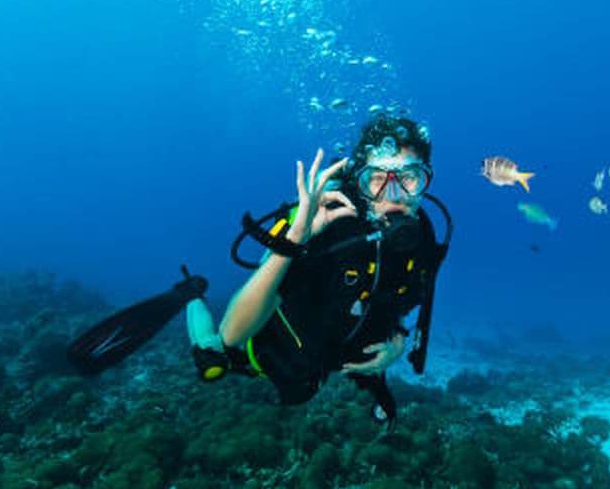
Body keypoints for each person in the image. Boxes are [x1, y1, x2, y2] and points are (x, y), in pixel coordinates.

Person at [186, 115, 450, 426]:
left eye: (409, 177)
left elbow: (398, 300)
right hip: (274, 350)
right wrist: (296, 238)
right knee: (215, 358)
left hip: (331, 356)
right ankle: (190, 292)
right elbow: (232, 335)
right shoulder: (320, 223)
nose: (393, 195)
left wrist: (398, 343)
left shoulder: (422, 238)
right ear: (359, 183)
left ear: (425, 181)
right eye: (377, 179)